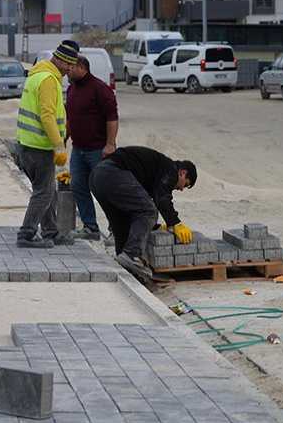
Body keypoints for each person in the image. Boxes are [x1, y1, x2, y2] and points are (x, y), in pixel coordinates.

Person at [89, 146, 197, 277]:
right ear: (182, 173)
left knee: (122, 218)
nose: (181, 189)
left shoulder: (157, 171)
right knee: (149, 211)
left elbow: (138, 210)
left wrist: (155, 226)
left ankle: (124, 259)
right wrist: (175, 223)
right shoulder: (171, 169)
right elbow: (162, 198)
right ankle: (131, 254)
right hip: (113, 173)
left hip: (97, 176)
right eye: (185, 184)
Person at [15, 39, 79, 248]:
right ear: (60, 60)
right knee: (43, 192)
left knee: (47, 190)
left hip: (27, 145)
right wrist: (59, 145)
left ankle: (51, 231)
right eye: (69, 65)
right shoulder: (49, 80)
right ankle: (26, 234)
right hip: (38, 147)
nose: (71, 69)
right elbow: (47, 116)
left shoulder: (37, 75)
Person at [66, 55, 119, 241]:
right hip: (78, 149)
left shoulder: (100, 89)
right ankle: (90, 227)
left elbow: (112, 118)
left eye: (70, 67)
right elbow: (70, 118)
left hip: (99, 150)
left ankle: (116, 230)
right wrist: (63, 139)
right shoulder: (72, 89)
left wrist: (110, 144)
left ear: (82, 67)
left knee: (105, 190)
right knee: (78, 186)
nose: (67, 70)